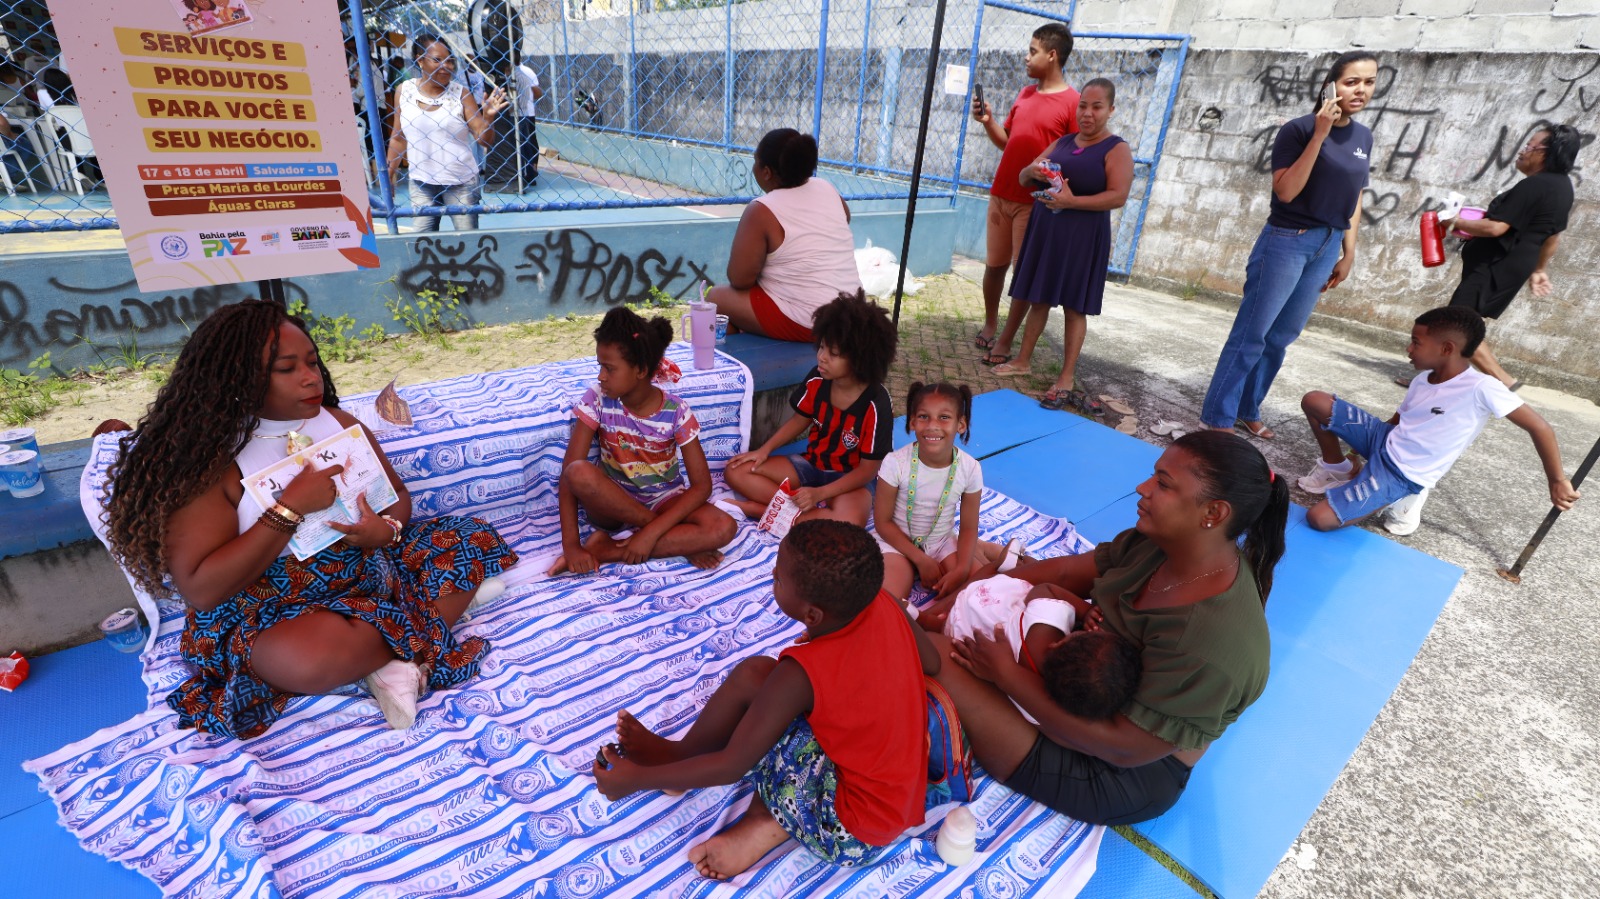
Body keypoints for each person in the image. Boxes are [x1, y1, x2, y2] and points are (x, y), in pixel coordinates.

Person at [100, 300, 517, 739]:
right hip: (269, 600)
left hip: (366, 567)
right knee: (311, 659)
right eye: (287, 368)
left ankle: (391, 656)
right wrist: (289, 509)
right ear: (236, 378)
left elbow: (396, 496)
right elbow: (201, 589)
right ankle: (420, 632)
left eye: (313, 362)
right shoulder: (209, 463)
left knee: (471, 538)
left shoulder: (336, 421)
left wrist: (387, 529)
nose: (310, 377)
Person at [931, 430, 1287, 826]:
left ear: (1214, 513)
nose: (1143, 488)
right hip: (1072, 686)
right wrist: (969, 594)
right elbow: (1065, 572)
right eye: (1153, 475)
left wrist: (1005, 674)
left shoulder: (1208, 646)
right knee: (989, 603)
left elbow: (1122, 747)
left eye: (1163, 484)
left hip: (1113, 767)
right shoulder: (1163, 542)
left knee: (933, 652)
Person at [593, 520, 939, 879]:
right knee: (756, 674)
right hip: (898, 799)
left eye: (778, 579)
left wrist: (634, 780)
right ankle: (680, 758)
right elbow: (931, 662)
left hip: (850, 831)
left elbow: (731, 765)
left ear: (812, 615)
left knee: (759, 705)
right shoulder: (881, 600)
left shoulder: (799, 674)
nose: (772, 576)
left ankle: (760, 818)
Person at [1199, 51, 1379, 440]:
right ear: (1330, 86)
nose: (1361, 90)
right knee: (1252, 335)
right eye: (1351, 82)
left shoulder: (1363, 136)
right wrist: (1320, 135)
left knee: (1281, 337)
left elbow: (1355, 195)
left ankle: (1247, 409)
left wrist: (1349, 252)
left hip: (1328, 244)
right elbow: (1286, 190)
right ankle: (1217, 418)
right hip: (1287, 242)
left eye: (1369, 82)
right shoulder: (1297, 131)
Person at [1297, 306, 1579, 535]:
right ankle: (1339, 468)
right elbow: (1397, 420)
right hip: (1385, 439)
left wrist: (1557, 480)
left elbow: (1540, 427)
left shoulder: (1482, 387)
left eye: (1416, 342)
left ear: (1447, 348)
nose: (1409, 348)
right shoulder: (1422, 379)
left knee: (1319, 519)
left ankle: (1401, 498)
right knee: (1315, 400)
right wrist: (1354, 450)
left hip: (1402, 473)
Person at [547, 306, 737, 575]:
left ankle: (606, 550)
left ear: (640, 370)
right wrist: (571, 547)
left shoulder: (676, 411)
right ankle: (674, 540)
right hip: (611, 504)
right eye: (600, 366)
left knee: (724, 527)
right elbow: (570, 475)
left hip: (664, 498)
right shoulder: (598, 398)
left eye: (609, 368)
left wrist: (651, 534)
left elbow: (702, 486)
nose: (601, 376)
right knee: (579, 471)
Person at [983, 78, 1133, 416]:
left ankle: (1066, 376)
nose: (1088, 113)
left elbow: (1118, 195)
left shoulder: (1116, 148)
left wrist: (1072, 201)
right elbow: (1023, 177)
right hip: (1047, 231)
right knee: (1039, 297)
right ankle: (1022, 360)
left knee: (1074, 307)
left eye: (1097, 107)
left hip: (1082, 236)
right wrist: (1032, 171)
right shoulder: (1063, 142)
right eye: (1083, 106)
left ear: (1110, 110)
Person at [723, 290, 896, 526]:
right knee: (736, 471)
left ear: (861, 359)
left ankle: (762, 510)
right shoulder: (818, 378)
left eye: (833, 353)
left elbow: (867, 471)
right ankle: (803, 514)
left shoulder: (877, 403)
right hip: (811, 464)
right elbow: (799, 419)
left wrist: (820, 494)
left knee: (850, 522)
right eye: (821, 347)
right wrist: (763, 451)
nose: (821, 357)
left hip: (851, 479)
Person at [1429, 124, 1580, 391]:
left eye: (1530, 146)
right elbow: (1552, 236)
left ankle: (1504, 383)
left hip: (1498, 263)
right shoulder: (1563, 187)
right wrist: (1539, 269)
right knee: (1464, 321)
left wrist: (1453, 222)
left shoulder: (1534, 185)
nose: (1523, 151)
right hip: (1513, 264)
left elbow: (1496, 228)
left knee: (1456, 323)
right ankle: (1440, 381)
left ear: (1546, 152)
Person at [970, 22, 1078, 353]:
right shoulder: (1025, 93)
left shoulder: (1073, 103)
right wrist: (988, 121)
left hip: (1033, 203)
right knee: (994, 266)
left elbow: (1074, 155)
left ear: (1052, 55)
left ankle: (1005, 340)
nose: (1026, 57)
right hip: (1001, 193)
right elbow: (1008, 142)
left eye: (1033, 51)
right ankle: (991, 323)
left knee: (1023, 275)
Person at [707, 129, 862, 342]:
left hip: (812, 320)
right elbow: (844, 218)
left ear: (766, 172)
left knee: (716, 298)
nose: (753, 167)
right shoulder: (826, 187)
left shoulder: (761, 209)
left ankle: (736, 359)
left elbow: (739, 279)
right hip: (853, 311)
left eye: (755, 161)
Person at [927, 573, 1141, 726]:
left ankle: (999, 562)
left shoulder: (1044, 629)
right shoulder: (1032, 707)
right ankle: (923, 619)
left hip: (981, 600)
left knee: (1022, 592)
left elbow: (1045, 590)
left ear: (1058, 643)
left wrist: (1085, 611)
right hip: (959, 634)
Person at [874, 381, 1001, 602]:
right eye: (924, 416)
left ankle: (986, 551)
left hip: (941, 542)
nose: (933, 425)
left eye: (944, 417)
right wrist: (921, 559)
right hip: (896, 542)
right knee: (889, 598)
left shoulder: (970, 468)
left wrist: (961, 568)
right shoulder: (894, 463)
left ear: (961, 424)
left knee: (979, 592)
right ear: (912, 422)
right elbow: (882, 523)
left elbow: (969, 528)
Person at [385, 34, 508, 231]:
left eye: (450, 61)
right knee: (423, 241)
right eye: (437, 60)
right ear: (420, 60)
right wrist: (389, 175)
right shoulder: (404, 91)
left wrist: (488, 118)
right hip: (421, 182)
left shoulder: (461, 94)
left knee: (467, 240)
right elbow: (398, 138)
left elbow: (484, 140)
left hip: (461, 182)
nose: (446, 66)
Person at [510, 60, 543, 189]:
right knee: (528, 142)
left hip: (524, 112)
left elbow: (538, 92)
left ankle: (530, 171)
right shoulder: (525, 72)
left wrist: (526, 96)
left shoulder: (525, 72)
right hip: (523, 112)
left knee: (527, 143)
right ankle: (530, 171)